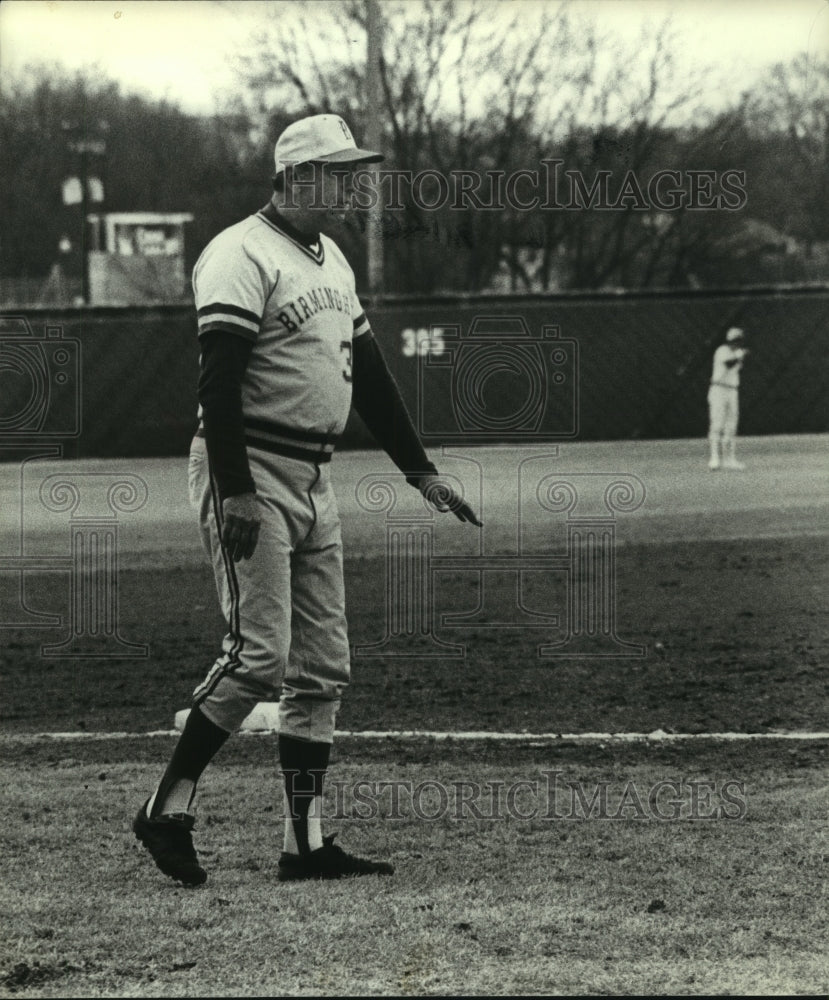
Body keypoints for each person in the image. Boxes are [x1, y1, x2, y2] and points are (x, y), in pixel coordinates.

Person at [133, 114, 481, 885]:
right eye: (339, 172)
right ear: (296, 178)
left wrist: (419, 470)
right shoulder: (239, 252)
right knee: (260, 657)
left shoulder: (331, 259)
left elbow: (371, 372)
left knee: (321, 667)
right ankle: (165, 808)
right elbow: (217, 383)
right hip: (250, 470)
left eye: (354, 171)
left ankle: (304, 844)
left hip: (315, 477)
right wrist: (235, 491)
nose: (354, 185)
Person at [707, 326, 748, 470]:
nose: (738, 344)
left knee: (731, 425)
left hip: (732, 391)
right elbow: (729, 365)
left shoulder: (737, 353)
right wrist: (738, 356)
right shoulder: (722, 351)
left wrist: (739, 356)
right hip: (719, 389)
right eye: (736, 341)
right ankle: (715, 458)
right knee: (717, 424)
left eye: (740, 341)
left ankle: (729, 459)